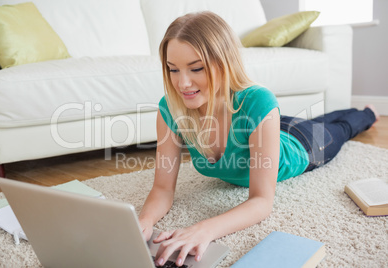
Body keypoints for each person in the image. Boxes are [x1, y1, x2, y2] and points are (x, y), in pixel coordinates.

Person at [138, 11, 379, 267]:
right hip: (266, 125)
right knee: (318, 120)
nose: (182, 83)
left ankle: (368, 113)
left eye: (196, 68)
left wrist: (204, 229)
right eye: (173, 69)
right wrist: (143, 221)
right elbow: (162, 188)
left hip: (301, 145)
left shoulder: (258, 101)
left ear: (224, 62)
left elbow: (261, 202)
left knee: (341, 128)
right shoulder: (171, 108)